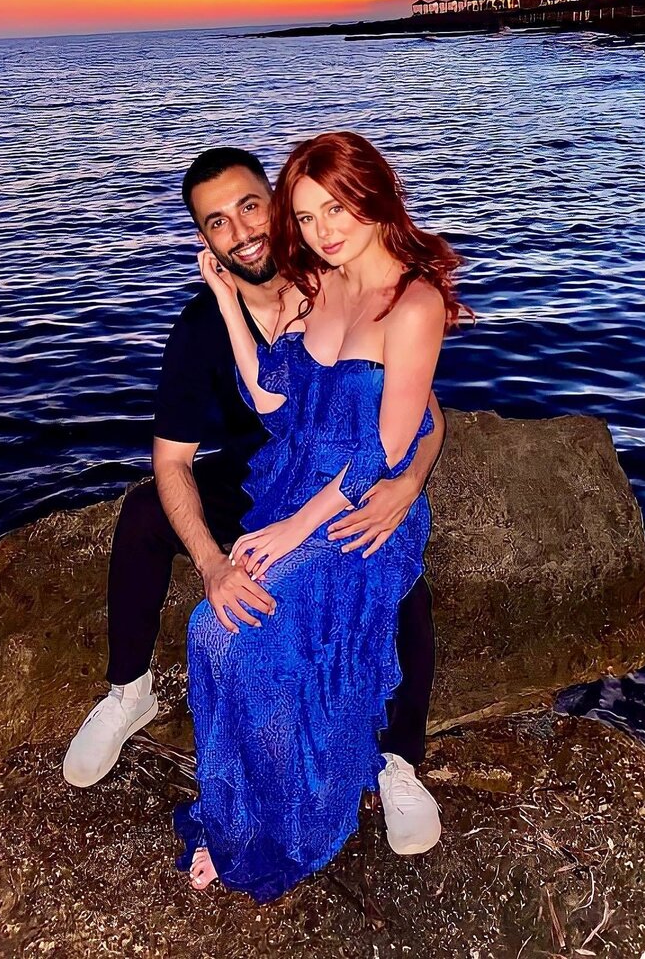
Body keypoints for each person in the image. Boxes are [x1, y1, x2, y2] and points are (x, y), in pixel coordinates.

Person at [63, 143, 447, 859]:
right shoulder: (205, 326)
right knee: (145, 512)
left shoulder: (328, 276)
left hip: (340, 487)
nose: (240, 230)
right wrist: (212, 563)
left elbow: (418, 414)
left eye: (250, 206)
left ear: (273, 205)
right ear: (204, 239)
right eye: (217, 222)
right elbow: (178, 456)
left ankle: (397, 759)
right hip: (261, 477)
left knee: (401, 586)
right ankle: (129, 691)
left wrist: (408, 482)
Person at [173, 131, 466, 902]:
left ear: (374, 195)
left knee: (229, 634)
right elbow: (273, 399)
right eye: (304, 218)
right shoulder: (320, 285)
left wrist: (293, 530)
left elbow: (388, 446)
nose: (322, 230)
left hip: (358, 510)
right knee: (218, 627)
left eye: (335, 209)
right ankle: (244, 808)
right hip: (297, 484)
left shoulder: (414, 302)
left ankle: (287, 825)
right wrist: (227, 302)